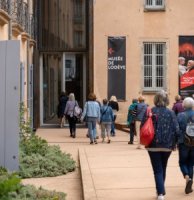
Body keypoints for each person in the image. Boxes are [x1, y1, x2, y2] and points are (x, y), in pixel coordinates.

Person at [141, 90, 179, 200]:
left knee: (157, 169)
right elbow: (176, 130)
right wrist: (175, 143)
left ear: (156, 99)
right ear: (167, 99)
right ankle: (160, 190)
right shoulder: (171, 113)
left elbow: (143, 127)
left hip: (153, 145)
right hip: (167, 145)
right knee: (163, 167)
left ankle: (160, 193)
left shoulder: (150, 111)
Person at [177, 97, 194, 194]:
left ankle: (186, 176)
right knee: (191, 163)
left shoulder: (180, 115)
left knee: (182, 162)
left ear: (183, 105)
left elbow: (177, 129)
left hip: (183, 142)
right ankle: (190, 179)